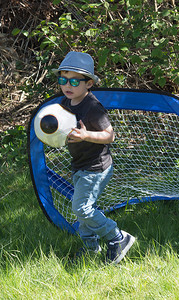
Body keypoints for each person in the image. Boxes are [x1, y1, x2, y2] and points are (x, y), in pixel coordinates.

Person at [52, 51, 135, 264]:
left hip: (96, 167)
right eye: (63, 80)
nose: (67, 85)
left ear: (89, 84)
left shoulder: (92, 107)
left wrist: (86, 134)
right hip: (79, 164)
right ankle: (91, 247)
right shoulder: (65, 102)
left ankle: (117, 237)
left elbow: (110, 136)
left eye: (73, 81)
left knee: (82, 208)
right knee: (83, 210)